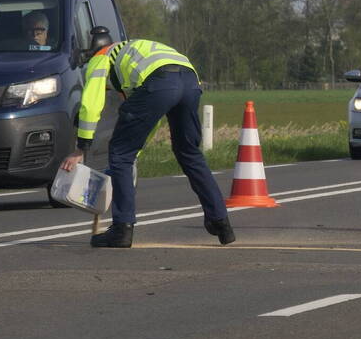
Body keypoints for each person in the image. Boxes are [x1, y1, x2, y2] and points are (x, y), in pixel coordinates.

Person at [59, 28, 235, 248]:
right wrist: (135, 151)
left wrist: (81, 148)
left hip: (159, 82)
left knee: (119, 153)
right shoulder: (134, 52)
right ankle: (221, 222)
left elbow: (91, 104)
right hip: (190, 80)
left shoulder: (100, 58)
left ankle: (121, 230)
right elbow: (150, 118)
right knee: (189, 152)